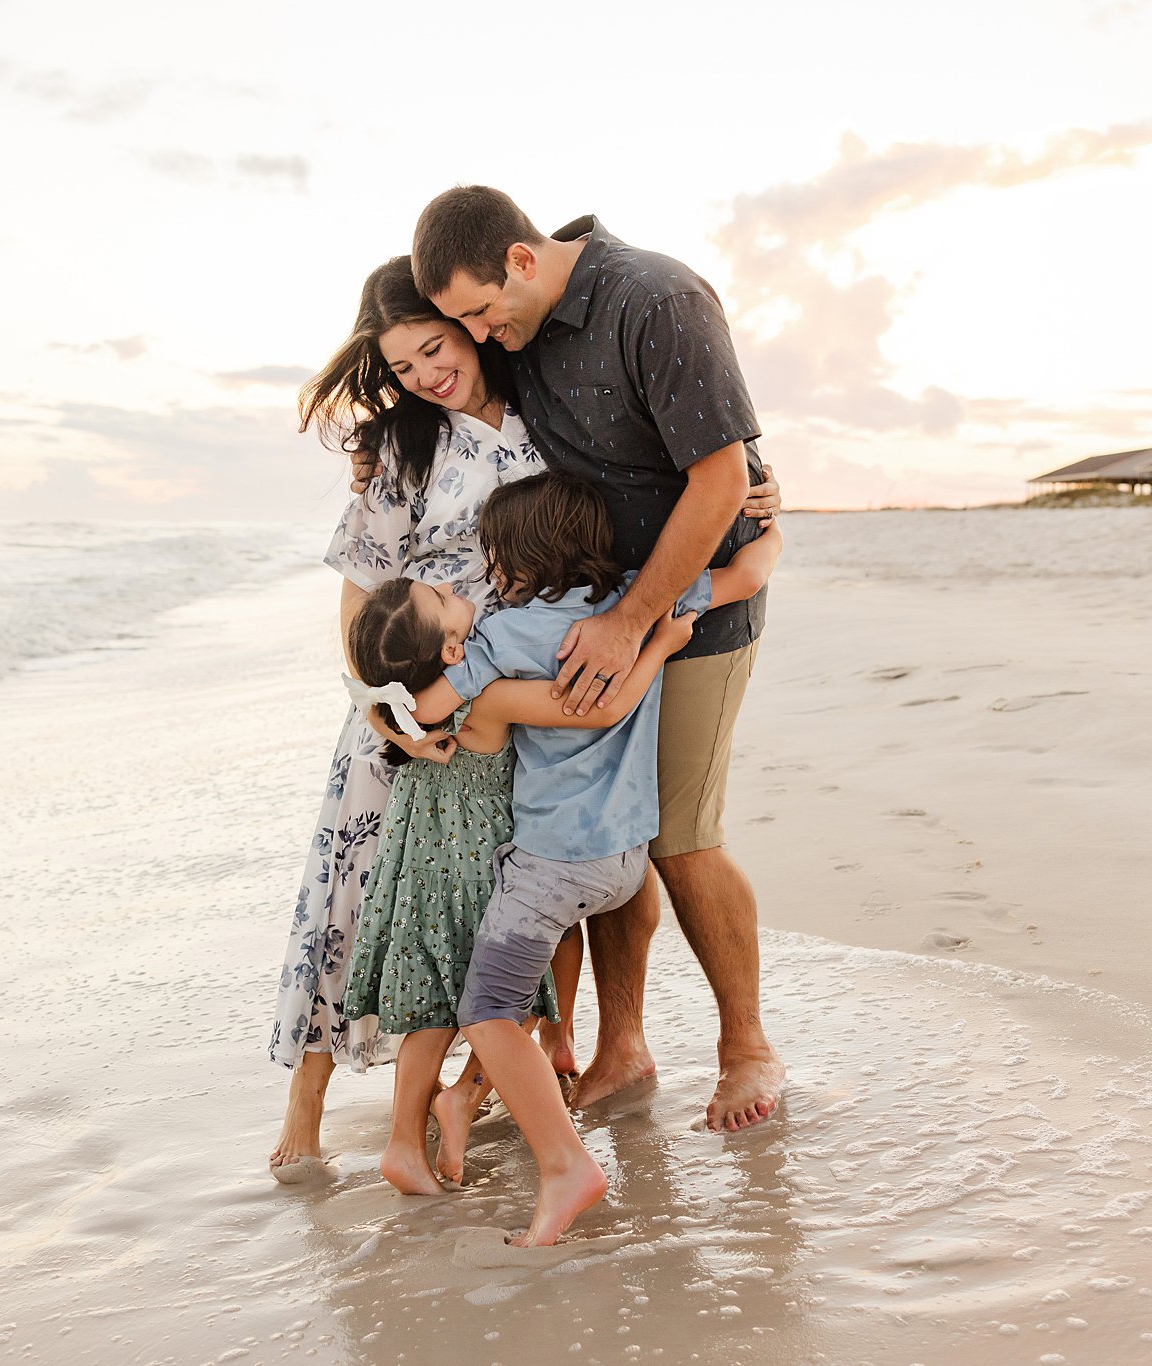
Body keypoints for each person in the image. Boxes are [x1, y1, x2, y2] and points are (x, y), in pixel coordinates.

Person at [268, 256, 781, 1174]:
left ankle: (528, 1063)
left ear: (472, 321)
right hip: (417, 693)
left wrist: (760, 498)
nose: (427, 372)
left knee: (522, 884)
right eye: (403, 365)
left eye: (437, 344)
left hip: (522, 688)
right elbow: (360, 596)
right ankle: (305, 1105)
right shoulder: (400, 448)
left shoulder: (552, 408)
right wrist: (381, 704)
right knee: (353, 894)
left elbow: (676, 466)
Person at [410, 186, 786, 1133]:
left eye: (480, 311)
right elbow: (442, 380)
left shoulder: (655, 298)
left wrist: (635, 620)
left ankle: (747, 1049)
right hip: (588, 612)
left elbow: (723, 475)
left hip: (684, 609)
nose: (480, 335)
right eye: (461, 322)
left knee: (681, 832)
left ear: (523, 261)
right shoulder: (519, 330)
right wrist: (379, 446)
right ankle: (623, 1049)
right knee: (609, 829)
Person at [404, 471, 781, 1243]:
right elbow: (749, 572)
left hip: (552, 869)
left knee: (487, 1012)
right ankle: (508, 1095)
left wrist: (419, 716)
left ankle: (565, 1164)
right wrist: (774, 525)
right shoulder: (641, 601)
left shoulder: (503, 636)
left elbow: (430, 708)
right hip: (625, 865)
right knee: (511, 992)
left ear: (515, 560)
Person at [340, 573, 690, 1194]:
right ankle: (439, 1116)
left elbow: (370, 692)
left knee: (435, 1007)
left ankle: (416, 1133)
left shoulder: (405, 706)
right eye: (443, 600)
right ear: (452, 650)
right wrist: (658, 647)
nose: (452, 585)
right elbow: (599, 710)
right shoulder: (488, 695)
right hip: (476, 864)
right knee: (503, 1003)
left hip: (420, 865)